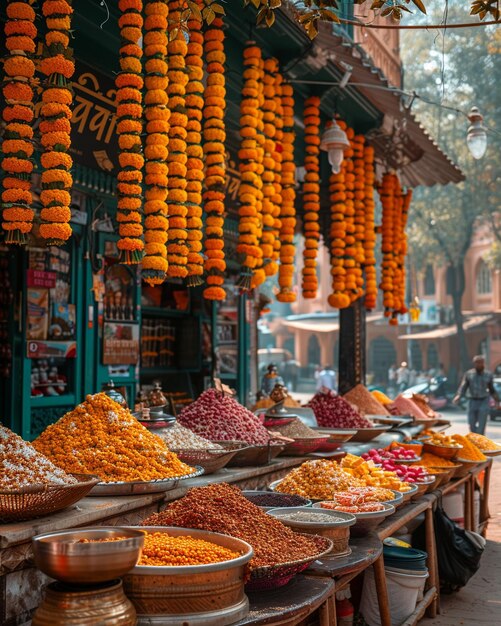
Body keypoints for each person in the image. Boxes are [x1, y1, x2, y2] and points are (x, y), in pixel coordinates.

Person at [453, 355, 500, 435]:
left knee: (482, 424)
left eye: (480, 363)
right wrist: (458, 396)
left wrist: (497, 401)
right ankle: (474, 438)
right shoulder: (469, 374)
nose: (479, 364)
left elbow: (492, 389)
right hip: (472, 401)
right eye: (477, 363)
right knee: (471, 423)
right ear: (474, 363)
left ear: (483, 363)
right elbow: (463, 386)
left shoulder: (488, 375)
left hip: (484, 401)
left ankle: (480, 440)